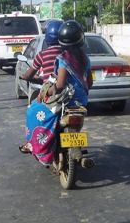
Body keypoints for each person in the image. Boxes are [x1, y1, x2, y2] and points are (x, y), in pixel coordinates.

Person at [19, 20, 93, 166]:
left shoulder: (64, 59)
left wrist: (45, 92)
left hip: (64, 101)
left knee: (33, 111)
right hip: (81, 101)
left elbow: (59, 85)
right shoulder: (85, 58)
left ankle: (35, 144)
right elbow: (89, 83)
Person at [19, 19, 64, 84]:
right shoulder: (69, 54)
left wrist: (24, 76)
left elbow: (29, 75)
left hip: (49, 90)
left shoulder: (42, 55)